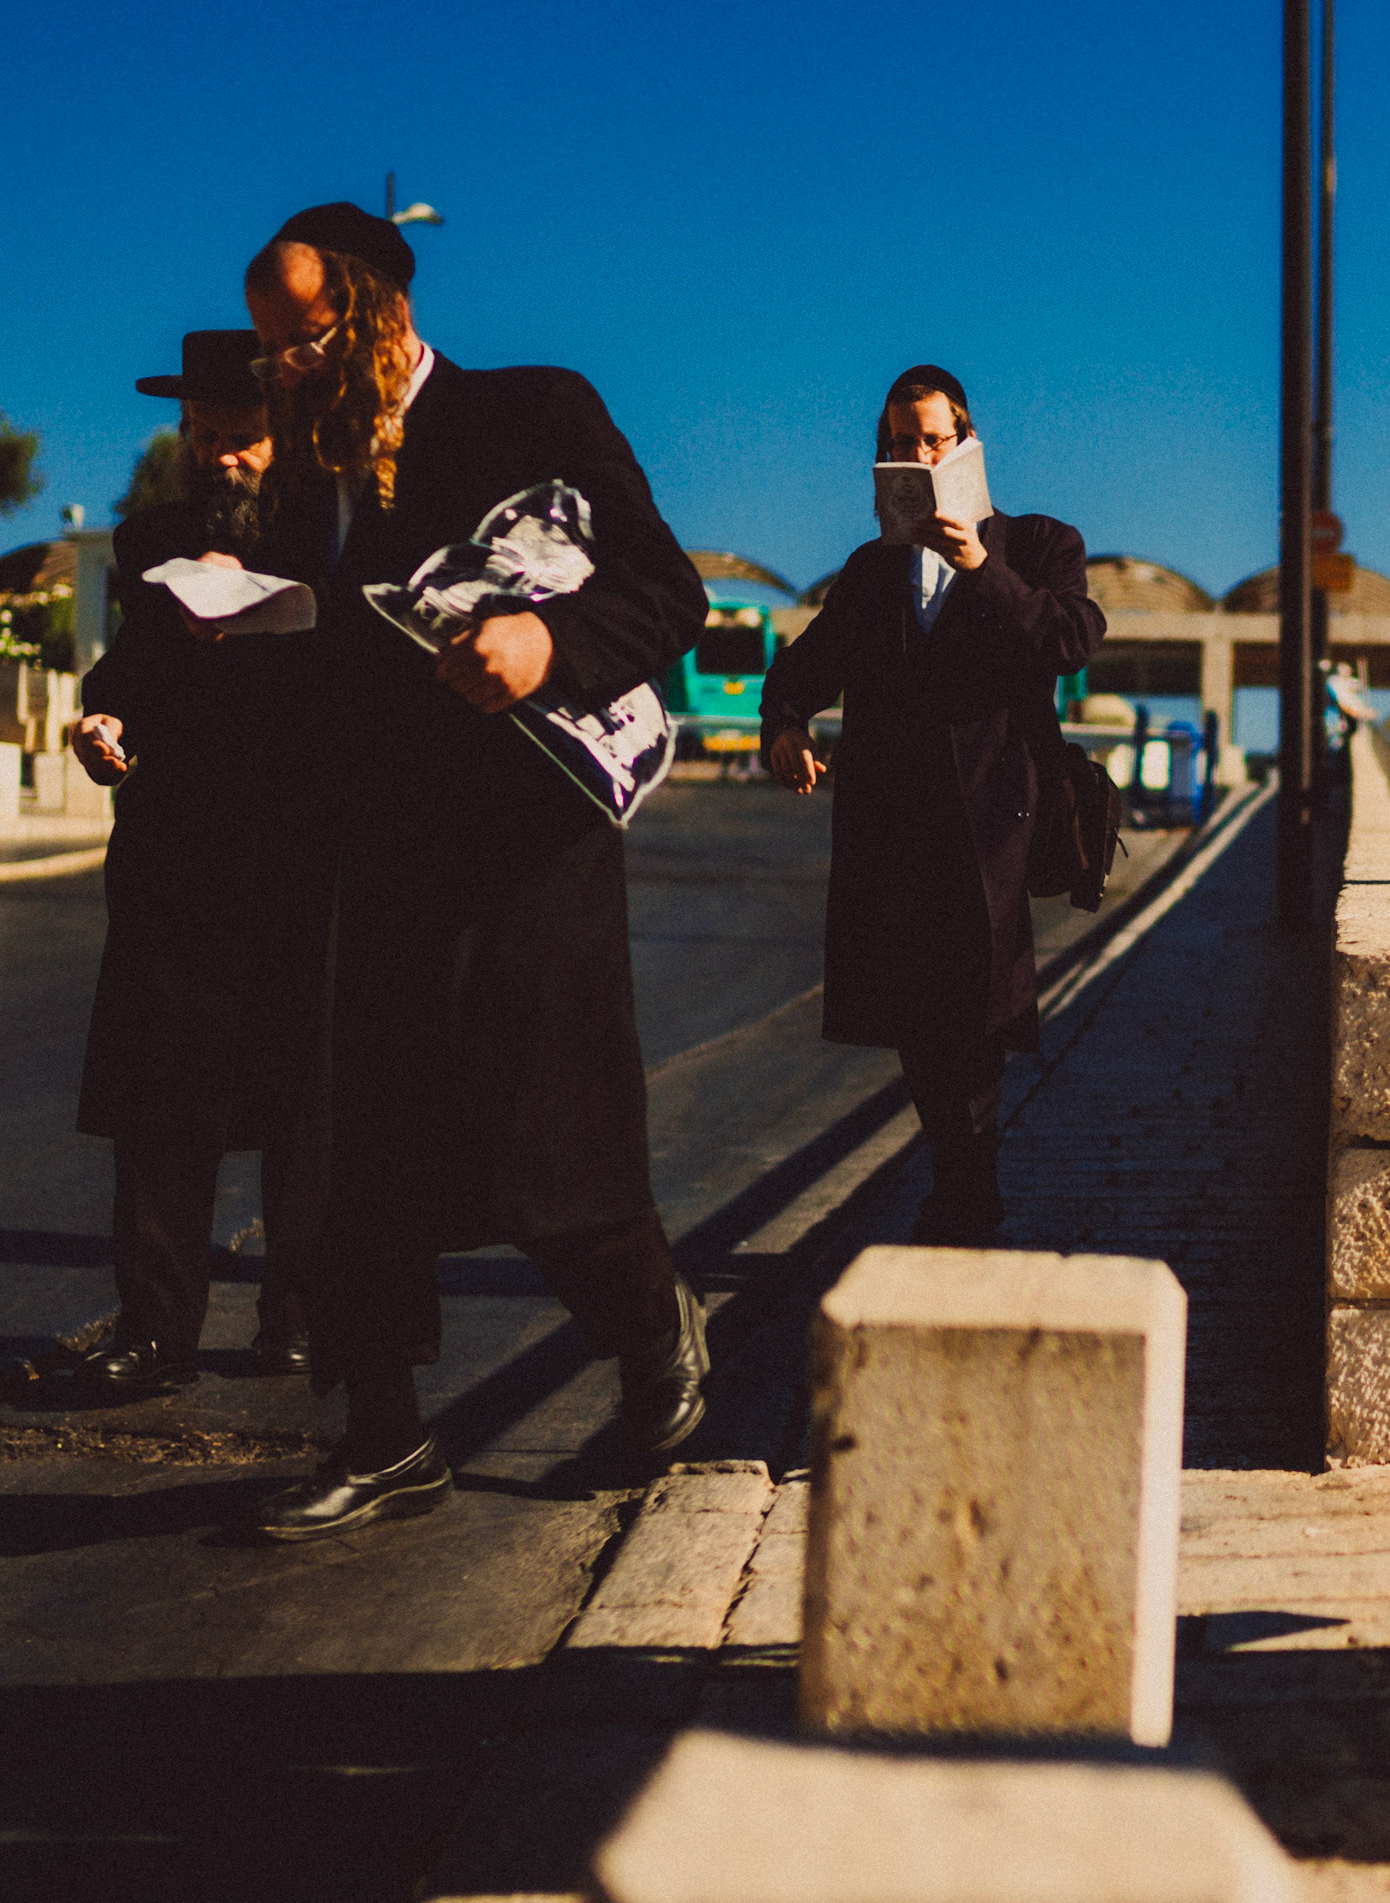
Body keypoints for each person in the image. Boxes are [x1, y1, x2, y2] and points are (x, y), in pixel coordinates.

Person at [239, 203, 710, 1540]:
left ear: (377, 310)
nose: (283, 365)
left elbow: (667, 594)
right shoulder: (307, 478)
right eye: (270, 344)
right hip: (369, 850)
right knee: (347, 1150)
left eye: (304, 333)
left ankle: (651, 1327)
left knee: (540, 1144)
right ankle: (384, 1437)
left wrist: (545, 647)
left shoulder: (533, 409)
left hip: (527, 845)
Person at [760, 365, 1105, 1245]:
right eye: (898, 445)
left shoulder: (1037, 543)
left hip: (992, 814)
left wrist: (982, 568)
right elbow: (806, 662)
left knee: (976, 1005)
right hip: (893, 820)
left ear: (966, 446)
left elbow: (1069, 639)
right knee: (916, 1013)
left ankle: (967, 1184)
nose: (915, 455)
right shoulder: (873, 571)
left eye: (931, 440)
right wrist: (785, 724)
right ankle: (961, 1175)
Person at [69, 329, 333, 1395]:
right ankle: (154, 1327)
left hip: (300, 857)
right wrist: (101, 718)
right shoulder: (149, 542)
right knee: (160, 1103)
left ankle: (302, 1315)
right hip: (176, 859)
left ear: (285, 437)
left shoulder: (330, 540)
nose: (221, 454)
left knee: (304, 1102)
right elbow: (126, 666)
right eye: (203, 435)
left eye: (242, 438)